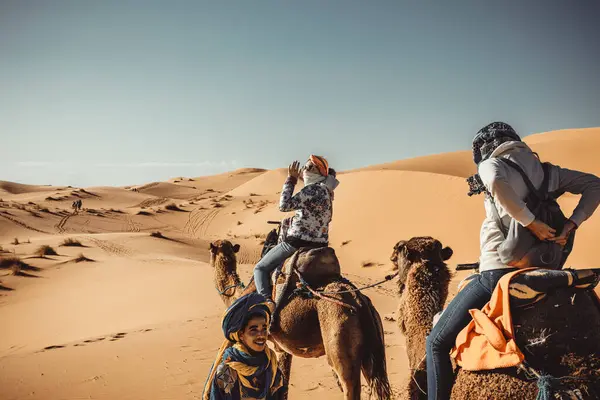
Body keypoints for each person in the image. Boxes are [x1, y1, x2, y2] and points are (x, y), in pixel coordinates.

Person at [425, 122, 600, 400]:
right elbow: (594, 184)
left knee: (435, 341)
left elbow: (493, 180)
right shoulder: (546, 172)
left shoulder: (492, 164)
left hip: (497, 272)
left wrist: (530, 223)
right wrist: (571, 224)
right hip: (544, 266)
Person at [253, 155, 338, 311]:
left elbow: (284, 206)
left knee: (260, 268)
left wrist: (291, 179)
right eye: (304, 168)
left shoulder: (311, 189)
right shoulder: (328, 192)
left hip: (297, 242)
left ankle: (266, 303)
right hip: (321, 244)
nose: (304, 171)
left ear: (319, 172)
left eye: (309, 167)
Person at [203, 293, 287, 400]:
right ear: (241, 334)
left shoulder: (271, 366)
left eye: (264, 328)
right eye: (253, 330)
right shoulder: (227, 372)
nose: (261, 335)